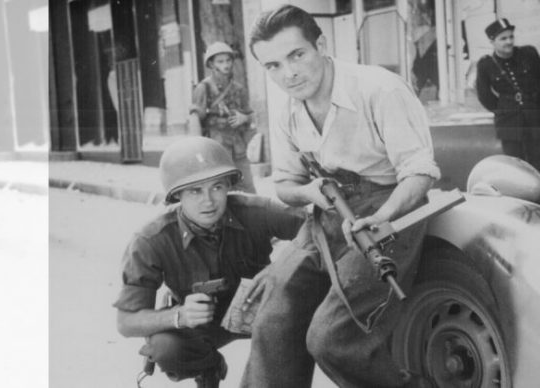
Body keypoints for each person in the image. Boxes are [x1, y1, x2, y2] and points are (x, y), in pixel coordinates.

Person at [240, 4, 440, 388]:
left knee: (332, 339)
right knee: (272, 323)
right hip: (327, 213)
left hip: (390, 209)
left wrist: (384, 217)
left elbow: (419, 174)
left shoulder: (379, 89)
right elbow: (284, 184)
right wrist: (307, 192)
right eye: (273, 66)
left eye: (296, 55)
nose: (289, 73)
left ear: (322, 44)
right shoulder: (288, 110)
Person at [113, 137, 304, 388]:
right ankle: (209, 367)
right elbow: (126, 322)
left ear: (228, 186)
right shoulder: (151, 240)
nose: (208, 201)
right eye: (194, 190)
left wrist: (281, 268)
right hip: (202, 324)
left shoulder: (255, 211)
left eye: (216, 187)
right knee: (165, 348)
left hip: (265, 312)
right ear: (177, 195)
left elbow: (317, 228)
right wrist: (179, 316)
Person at [475, 18, 540, 172]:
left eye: (511, 36)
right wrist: (504, 108)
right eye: (503, 38)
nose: (509, 41)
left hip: (536, 118)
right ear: (492, 41)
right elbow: (484, 96)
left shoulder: (528, 53)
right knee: (516, 167)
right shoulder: (486, 64)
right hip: (509, 123)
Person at [188, 42, 256, 193]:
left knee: (248, 189)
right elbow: (195, 118)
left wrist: (244, 118)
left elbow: (251, 115)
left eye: (228, 60)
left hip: (238, 147)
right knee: (220, 190)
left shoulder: (239, 89)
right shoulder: (203, 88)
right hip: (215, 147)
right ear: (211, 64)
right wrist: (198, 150)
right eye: (220, 61)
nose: (226, 64)